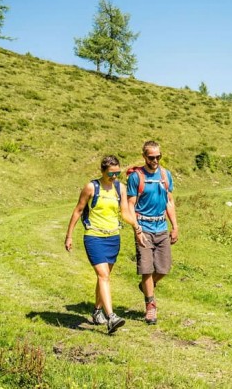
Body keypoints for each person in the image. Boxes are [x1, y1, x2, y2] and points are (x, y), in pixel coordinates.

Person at [65, 155, 146, 334]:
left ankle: (96, 311)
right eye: (111, 173)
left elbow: (124, 212)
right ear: (102, 171)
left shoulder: (120, 188)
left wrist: (136, 226)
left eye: (117, 173)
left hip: (113, 238)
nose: (114, 177)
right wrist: (69, 236)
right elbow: (78, 210)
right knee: (103, 276)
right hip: (94, 237)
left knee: (104, 277)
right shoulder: (91, 187)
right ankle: (111, 318)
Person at [127, 140, 178, 325]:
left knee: (164, 268)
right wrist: (136, 228)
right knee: (147, 269)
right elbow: (130, 205)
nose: (155, 160)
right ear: (144, 156)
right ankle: (150, 307)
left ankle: (145, 287)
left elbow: (169, 202)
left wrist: (175, 226)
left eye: (158, 156)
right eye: (151, 157)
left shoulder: (166, 175)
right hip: (144, 227)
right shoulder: (136, 177)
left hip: (161, 227)